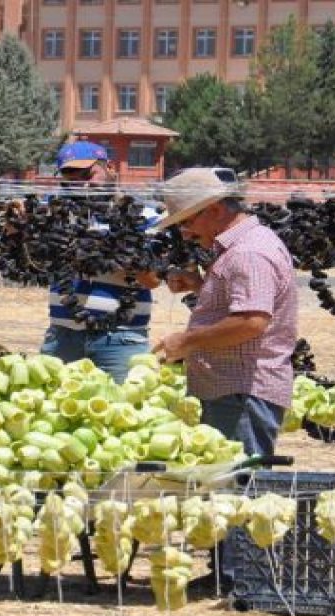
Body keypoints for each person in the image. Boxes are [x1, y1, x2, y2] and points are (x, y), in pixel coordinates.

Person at [151, 167, 298, 459]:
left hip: (240, 395)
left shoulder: (248, 253)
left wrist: (186, 342)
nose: (184, 232)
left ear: (215, 210)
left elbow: (251, 322)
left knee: (236, 492)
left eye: (187, 221)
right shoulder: (247, 244)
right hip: (232, 391)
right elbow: (246, 304)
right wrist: (201, 286)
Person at [41, 140, 163, 383]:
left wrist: (109, 250)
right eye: (70, 178)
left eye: (88, 174)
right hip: (63, 337)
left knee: (122, 412)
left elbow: (153, 279)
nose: (81, 184)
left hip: (120, 339)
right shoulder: (53, 215)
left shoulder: (144, 217)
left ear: (110, 167)